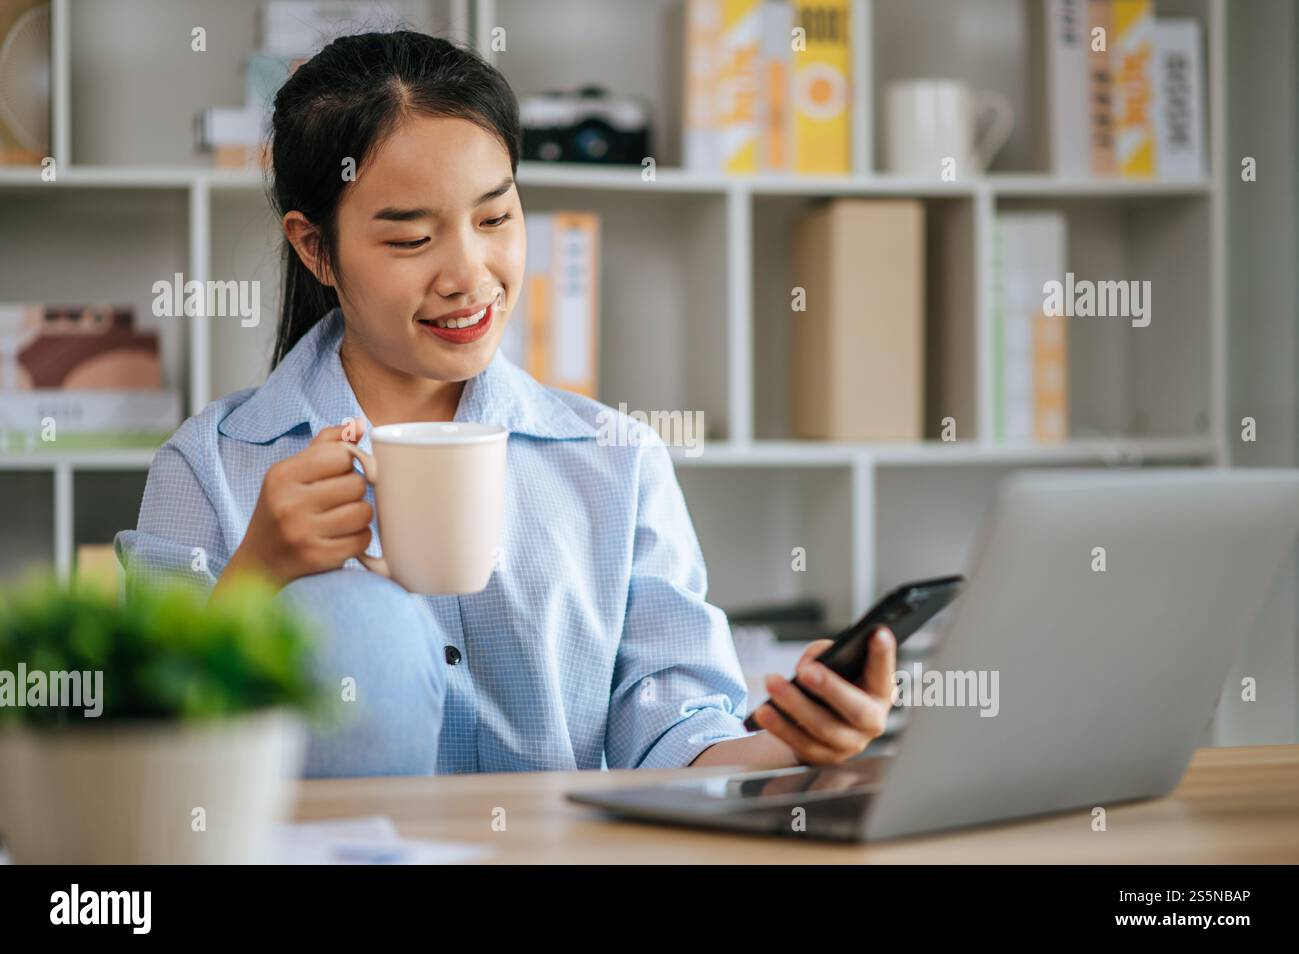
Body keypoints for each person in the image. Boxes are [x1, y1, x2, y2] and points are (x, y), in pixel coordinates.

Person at [115, 31, 897, 778]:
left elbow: (674, 737)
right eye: (411, 240)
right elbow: (135, 756)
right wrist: (258, 573)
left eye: (495, 217)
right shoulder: (214, 462)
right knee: (359, 625)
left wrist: (799, 742)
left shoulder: (614, 458)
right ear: (315, 247)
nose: (469, 274)